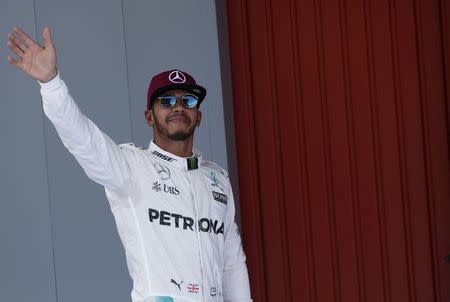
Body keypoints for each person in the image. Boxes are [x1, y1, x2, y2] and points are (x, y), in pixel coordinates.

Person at [7, 27, 252, 302]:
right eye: (167, 101)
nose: (178, 107)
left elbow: (232, 263)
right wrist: (51, 84)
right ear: (149, 116)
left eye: (188, 100)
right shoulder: (131, 166)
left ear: (199, 116)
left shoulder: (217, 178)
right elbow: (83, 140)